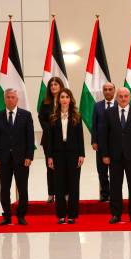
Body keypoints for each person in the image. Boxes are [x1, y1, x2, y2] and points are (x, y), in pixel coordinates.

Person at [101, 87, 131, 224]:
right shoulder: (109, 112)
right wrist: (105, 154)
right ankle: (116, 214)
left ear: (130, 98)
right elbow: (104, 135)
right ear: (116, 97)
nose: (123, 98)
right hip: (114, 156)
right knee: (115, 186)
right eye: (120, 96)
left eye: (125, 96)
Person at [0, 89, 35, 225]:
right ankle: (6, 216)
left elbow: (30, 137)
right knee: (4, 188)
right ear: (4, 99)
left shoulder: (26, 115)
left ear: (17, 99)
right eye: (8, 97)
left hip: (22, 159)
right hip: (4, 159)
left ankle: (21, 215)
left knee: (23, 188)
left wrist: (29, 156)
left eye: (13, 97)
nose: (10, 99)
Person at [46, 88, 85, 224]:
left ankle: (73, 214)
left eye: (67, 97)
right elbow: (49, 139)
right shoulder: (53, 117)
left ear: (70, 99)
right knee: (59, 185)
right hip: (57, 154)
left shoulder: (76, 116)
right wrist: (49, 157)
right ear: (59, 99)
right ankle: (61, 215)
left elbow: (80, 137)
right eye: (62, 97)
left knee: (74, 184)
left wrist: (82, 154)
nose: (64, 99)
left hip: (74, 154)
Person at [38, 76, 63, 202]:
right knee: (50, 166)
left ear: (60, 86)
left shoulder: (64, 100)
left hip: (62, 139)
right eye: (51, 85)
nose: (53, 86)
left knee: (63, 167)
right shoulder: (45, 102)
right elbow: (41, 117)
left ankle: (64, 193)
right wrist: (49, 128)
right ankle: (51, 194)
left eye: (56, 84)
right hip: (48, 139)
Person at [91, 82, 116, 202]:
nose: (107, 91)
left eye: (110, 89)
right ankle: (105, 193)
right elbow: (94, 125)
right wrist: (94, 141)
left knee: (115, 171)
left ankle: (115, 194)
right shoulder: (97, 106)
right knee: (102, 171)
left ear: (114, 91)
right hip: (101, 144)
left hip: (116, 145)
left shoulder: (119, 104)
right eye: (105, 89)